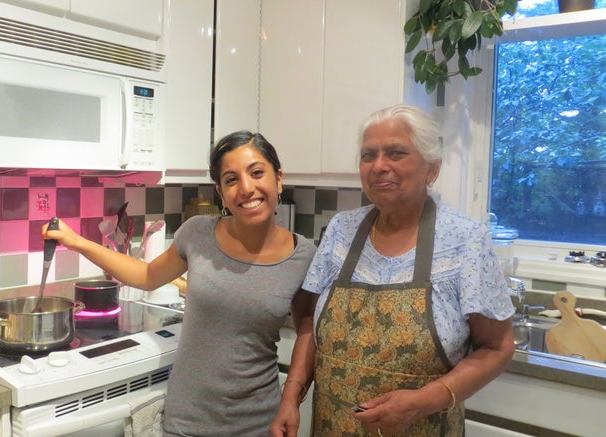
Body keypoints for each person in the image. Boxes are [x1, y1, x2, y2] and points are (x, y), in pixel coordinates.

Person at [42, 130, 317, 436]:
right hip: (187, 420)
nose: (246, 188)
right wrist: (76, 242)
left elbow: (308, 327)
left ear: (278, 178)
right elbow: (147, 276)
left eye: (256, 173)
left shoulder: (303, 255)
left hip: (259, 422)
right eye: (231, 179)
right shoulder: (198, 233)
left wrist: (292, 396)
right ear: (221, 192)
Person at [270, 104, 515, 437]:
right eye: (368, 155)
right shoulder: (341, 230)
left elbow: (497, 348)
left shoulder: (466, 239)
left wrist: (421, 402)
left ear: (432, 169)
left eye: (396, 153)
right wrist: (291, 395)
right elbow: (310, 326)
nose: (379, 166)